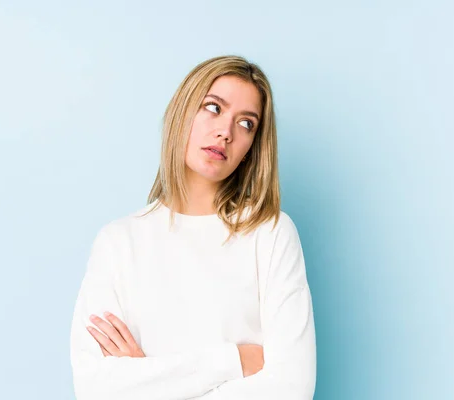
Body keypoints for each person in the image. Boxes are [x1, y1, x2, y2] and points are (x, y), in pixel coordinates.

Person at [69, 55, 316, 399]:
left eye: (246, 124)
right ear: (182, 111)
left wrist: (146, 379)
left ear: (251, 148)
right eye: (213, 108)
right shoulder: (118, 242)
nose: (225, 132)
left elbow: (292, 388)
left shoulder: (270, 233)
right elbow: (96, 388)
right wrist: (234, 360)